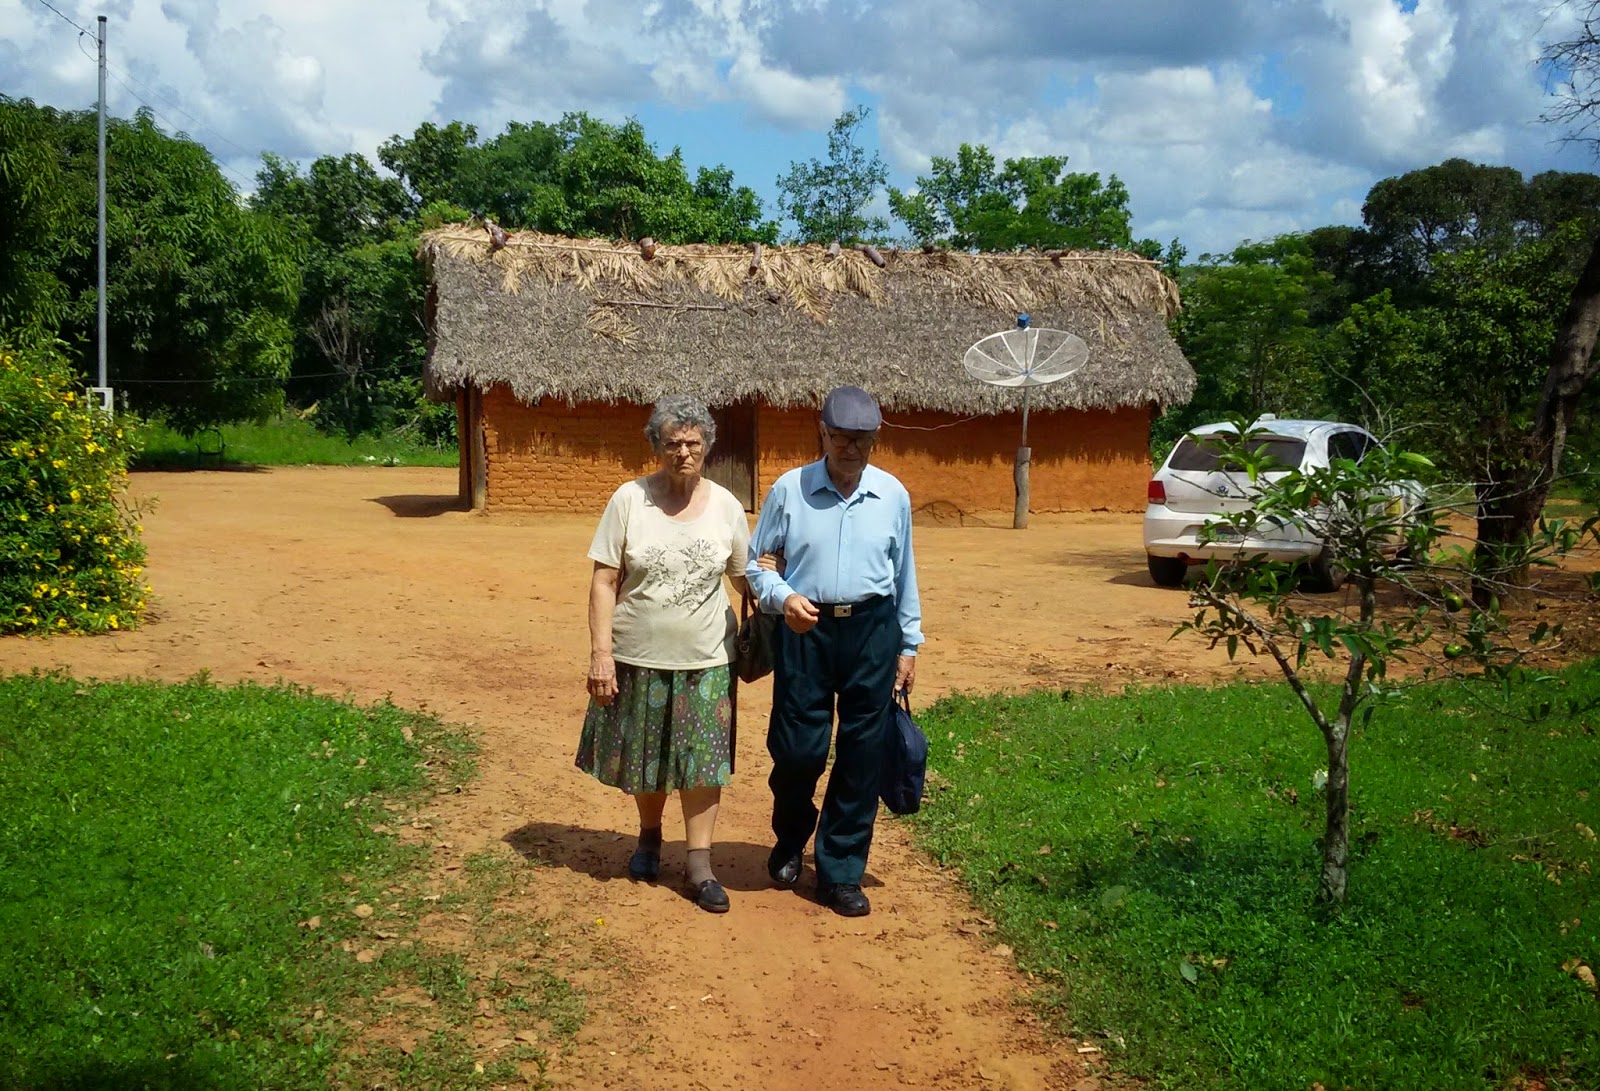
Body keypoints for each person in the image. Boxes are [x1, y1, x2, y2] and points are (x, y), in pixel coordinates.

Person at [744, 385, 923, 918]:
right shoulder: (789, 489)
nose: (852, 450)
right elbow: (757, 565)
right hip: (807, 627)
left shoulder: (892, 495)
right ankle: (791, 833)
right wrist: (784, 597)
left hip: (873, 628)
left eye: (863, 441)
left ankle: (841, 869)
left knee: (862, 753)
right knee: (799, 748)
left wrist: (908, 643)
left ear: (874, 441)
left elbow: (904, 573)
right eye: (842, 438)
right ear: (823, 434)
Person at [576, 394, 751, 914]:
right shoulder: (628, 500)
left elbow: (744, 578)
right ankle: (650, 835)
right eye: (672, 442)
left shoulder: (725, 506)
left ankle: (699, 864)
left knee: (702, 764)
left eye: (692, 443)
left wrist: (783, 594)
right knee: (647, 760)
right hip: (638, 656)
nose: (682, 452)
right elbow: (605, 580)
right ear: (655, 446)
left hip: (707, 658)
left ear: (708, 447)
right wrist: (601, 653)